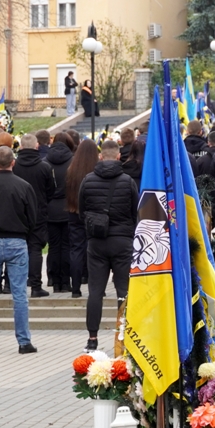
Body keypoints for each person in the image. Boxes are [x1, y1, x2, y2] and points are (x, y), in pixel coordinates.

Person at [0, 146, 39, 354]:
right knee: (19, 293)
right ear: (13, 162)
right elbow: (33, 217)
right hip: (17, 241)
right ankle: (23, 342)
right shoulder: (24, 186)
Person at [78, 140, 138, 351]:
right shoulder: (128, 181)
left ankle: (92, 338)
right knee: (124, 289)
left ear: (101, 157)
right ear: (119, 156)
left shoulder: (87, 180)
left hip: (97, 242)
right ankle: (125, 334)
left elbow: (81, 210)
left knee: (95, 290)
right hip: (123, 241)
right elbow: (135, 213)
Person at [13, 133, 55, 297]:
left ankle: (15, 285)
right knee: (35, 249)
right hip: (38, 213)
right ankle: (36, 286)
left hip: (17, 213)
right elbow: (51, 190)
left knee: (17, 249)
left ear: (21, 147)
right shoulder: (44, 167)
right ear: (37, 146)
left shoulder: (14, 166)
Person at [65, 139, 101, 298]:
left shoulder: (72, 170)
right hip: (94, 215)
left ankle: (76, 288)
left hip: (74, 213)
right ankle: (97, 287)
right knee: (95, 251)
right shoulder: (97, 170)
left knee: (76, 250)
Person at [45, 133, 74, 294]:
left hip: (50, 209)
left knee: (54, 247)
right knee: (68, 246)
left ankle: (55, 281)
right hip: (68, 207)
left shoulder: (45, 162)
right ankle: (66, 281)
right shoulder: (74, 161)